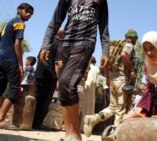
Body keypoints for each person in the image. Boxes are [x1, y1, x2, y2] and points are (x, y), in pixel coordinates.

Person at [39, 0, 110, 140]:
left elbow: (104, 28)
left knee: (67, 83)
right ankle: (69, 135)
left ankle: (76, 135)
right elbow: (54, 22)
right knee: (64, 90)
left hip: (85, 43)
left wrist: (105, 52)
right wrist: (45, 45)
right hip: (65, 45)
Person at [84, 29, 138, 137]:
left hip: (113, 79)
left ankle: (92, 119)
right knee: (121, 110)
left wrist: (108, 79)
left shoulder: (115, 46)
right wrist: (132, 70)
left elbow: (106, 63)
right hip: (122, 79)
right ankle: (115, 135)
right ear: (134, 38)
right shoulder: (129, 45)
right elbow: (124, 55)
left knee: (113, 107)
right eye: (136, 39)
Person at [0, 3, 34, 130]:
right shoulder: (19, 23)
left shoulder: (8, 24)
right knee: (15, 90)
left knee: (1, 87)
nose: (29, 14)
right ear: (19, 10)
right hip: (10, 60)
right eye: (27, 11)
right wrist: (20, 63)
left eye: (31, 13)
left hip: (1, 59)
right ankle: (1, 119)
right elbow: (17, 44)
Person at [32, 28, 64, 130]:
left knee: (37, 99)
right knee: (45, 101)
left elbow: (39, 58)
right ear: (63, 36)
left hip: (39, 74)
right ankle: (37, 123)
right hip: (50, 77)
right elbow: (58, 64)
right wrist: (59, 80)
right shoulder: (60, 45)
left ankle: (31, 121)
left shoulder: (46, 44)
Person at [78, 56, 99, 131]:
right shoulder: (96, 69)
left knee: (81, 109)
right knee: (90, 111)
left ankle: (79, 127)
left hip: (82, 87)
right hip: (91, 92)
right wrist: (95, 95)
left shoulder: (82, 63)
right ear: (95, 62)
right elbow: (97, 84)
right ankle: (87, 128)